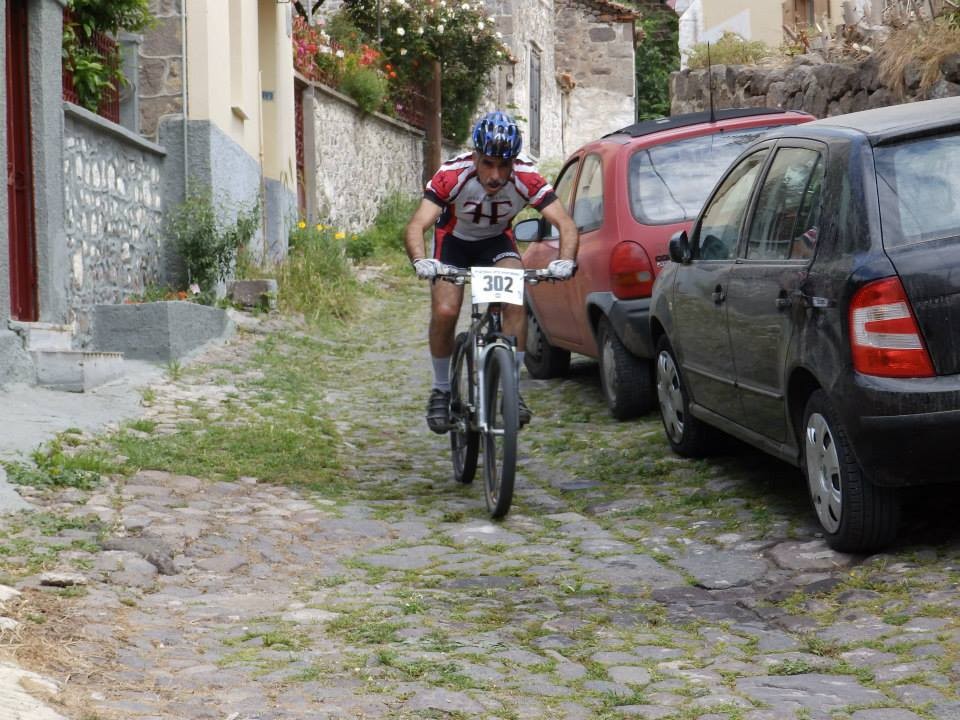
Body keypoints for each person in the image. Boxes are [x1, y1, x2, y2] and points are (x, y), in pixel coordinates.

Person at [405, 110, 579, 434]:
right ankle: (441, 389)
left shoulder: (527, 177)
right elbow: (417, 224)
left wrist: (566, 260)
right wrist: (419, 260)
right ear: (475, 157)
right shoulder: (452, 174)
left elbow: (565, 224)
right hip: (453, 242)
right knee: (445, 310)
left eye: (504, 165)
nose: (496, 175)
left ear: (514, 162)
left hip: (496, 243)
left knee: (515, 301)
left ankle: (511, 389)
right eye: (487, 163)